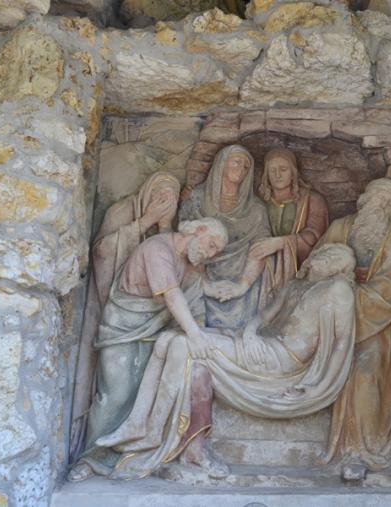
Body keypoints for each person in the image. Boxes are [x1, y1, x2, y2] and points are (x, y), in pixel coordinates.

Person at [94, 244, 359, 480]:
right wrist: (250, 333)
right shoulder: (294, 286)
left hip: (279, 359)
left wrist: (321, 385)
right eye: (328, 252)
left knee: (182, 344)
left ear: (341, 270)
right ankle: (147, 427)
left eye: (336, 259)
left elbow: (342, 344)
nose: (327, 257)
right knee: (167, 340)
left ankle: (150, 429)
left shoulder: (338, 290)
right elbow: (264, 317)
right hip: (260, 345)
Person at [68, 218, 228, 482]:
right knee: (115, 395)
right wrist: (194, 334)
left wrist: (198, 331)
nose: (210, 254)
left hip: (157, 333)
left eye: (216, 251)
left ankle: (134, 456)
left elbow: (194, 304)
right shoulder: (158, 248)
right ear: (198, 230)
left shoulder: (191, 267)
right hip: (123, 327)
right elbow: (172, 296)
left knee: (150, 395)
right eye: (211, 245)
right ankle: (91, 459)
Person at [318, 178, 391, 473]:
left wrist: (350, 294)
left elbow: (389, 288)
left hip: (378, 324)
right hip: (331, 318)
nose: (380, 206)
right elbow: (316, 263)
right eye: (377, 199)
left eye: (388, 204)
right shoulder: (340, 228)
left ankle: (359, 448)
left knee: (363, 372)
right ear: (364, 200)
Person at [70, 172, 180, 460]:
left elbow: (173, 272)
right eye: (159, 194)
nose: (164, 201)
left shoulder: (171, 229)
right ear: (147, 192)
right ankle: (92, 456)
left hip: (152, 321)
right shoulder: (122, 211)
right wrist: (145, 221)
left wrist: (164, 226)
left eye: (171, 197)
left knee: (143, 390)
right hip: (116, 318)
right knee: (114, 392)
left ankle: (128, 456)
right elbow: (102, 253)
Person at [179, 145, 270, 330]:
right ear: (221, 164)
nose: (241, 169)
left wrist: (242, 285)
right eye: (236, 162)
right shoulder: (196, 198)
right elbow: (184, 245)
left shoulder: (256, 209)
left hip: (240, 282)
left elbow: (260, 249)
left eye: (246, 166)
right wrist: (203, 283)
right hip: (199, 275)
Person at [249, 148, 329, 296]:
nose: (277, 175)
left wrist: (281, 243)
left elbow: (315, 238)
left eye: (283, 169)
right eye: (272, 170)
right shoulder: (258, 203)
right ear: (266, 175)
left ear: (293, 173)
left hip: (302, 271)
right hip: (264, 269)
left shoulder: (313, 200)